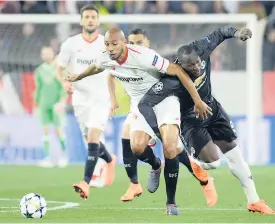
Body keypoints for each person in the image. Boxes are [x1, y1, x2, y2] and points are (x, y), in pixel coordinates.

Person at [67, 27, 214, 215]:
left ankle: (171, 203)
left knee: (170, 146)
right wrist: (78, 76)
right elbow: (96, 66)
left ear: (123, 43)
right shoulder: (105, 57)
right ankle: (156, 165)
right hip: (140, 105)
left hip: (164, 99)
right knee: (137, 147)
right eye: (107, 44)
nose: (110, 48)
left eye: (114, 44)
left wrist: (197, 100)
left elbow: (176, 69)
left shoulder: (143, 55)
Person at [138, 26, 275, 215]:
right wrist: (157, 131)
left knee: (235, 154)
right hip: (191, 122)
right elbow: (145, 103)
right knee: (213, 163)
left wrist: (237, 33)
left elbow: (220, 33)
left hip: (213, 110)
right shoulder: (170, 80)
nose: (197, 67)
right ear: (180, 65)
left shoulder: (202, 48)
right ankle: (192, 160)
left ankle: (254, 201)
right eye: (191, 66)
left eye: (197, 62)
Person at [113, 28, 217, 206]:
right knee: (132, 141)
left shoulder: (152, 59)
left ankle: (204, 180)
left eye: (139, 42)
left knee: (172, 149)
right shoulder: (122, 60)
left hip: (162, 104)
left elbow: (178, 75)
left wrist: (194, 101)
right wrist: (112, 99)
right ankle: (145, 174)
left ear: (147, 43)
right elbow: (110, 72)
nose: (136, 46)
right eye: (132, 43)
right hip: (139, 107)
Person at [56, 4, 116, 195]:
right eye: (87, 17)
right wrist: (64, 83)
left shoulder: (106, 44)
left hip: (100, 98)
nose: (90, 20)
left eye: (93, 17)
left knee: (92, 139)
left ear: (98, 21)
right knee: (92, 141)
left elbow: (113, 70)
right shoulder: (70, 44)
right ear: (81, 20)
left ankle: (85, 182)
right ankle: (110, 159)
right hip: (80, 100)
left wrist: (113, 98)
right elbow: (59, 70)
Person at [34, 46, 67, 167]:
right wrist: (36, 104)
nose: (46, 55)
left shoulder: (59, 69)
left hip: (56, 105)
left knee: (58, 130)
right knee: (45, 131)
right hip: (43, 104)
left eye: (48, 53)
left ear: (53, 54)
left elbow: (64, 87)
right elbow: (38, 89)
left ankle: (64, 156)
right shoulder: (39, 70)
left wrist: (62, 102)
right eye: (44, 54)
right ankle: (47, 158)